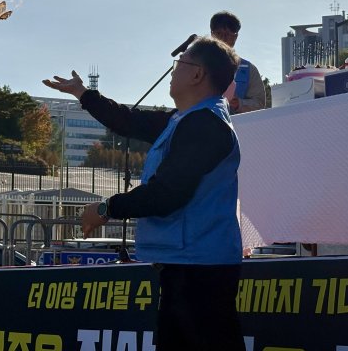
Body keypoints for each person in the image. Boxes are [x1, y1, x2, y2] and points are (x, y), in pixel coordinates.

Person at [43, 36, 246, 351]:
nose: (172, 71)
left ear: (197, 75)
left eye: (179, 64)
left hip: (200, 269)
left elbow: (166, 194)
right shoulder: (183, 120)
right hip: (186, 264)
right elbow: (128, 120)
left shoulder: (206, 125)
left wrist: (106, 208)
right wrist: (82, 94)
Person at [210, 11, 266, 113]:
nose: (223, 38)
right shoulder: (197, 65)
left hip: (236, 127)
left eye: (228, 34)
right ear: (212, 34)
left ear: (236, 36)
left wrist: (239, 103)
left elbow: (260, 103)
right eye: (219, 33)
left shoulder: (249, 70)